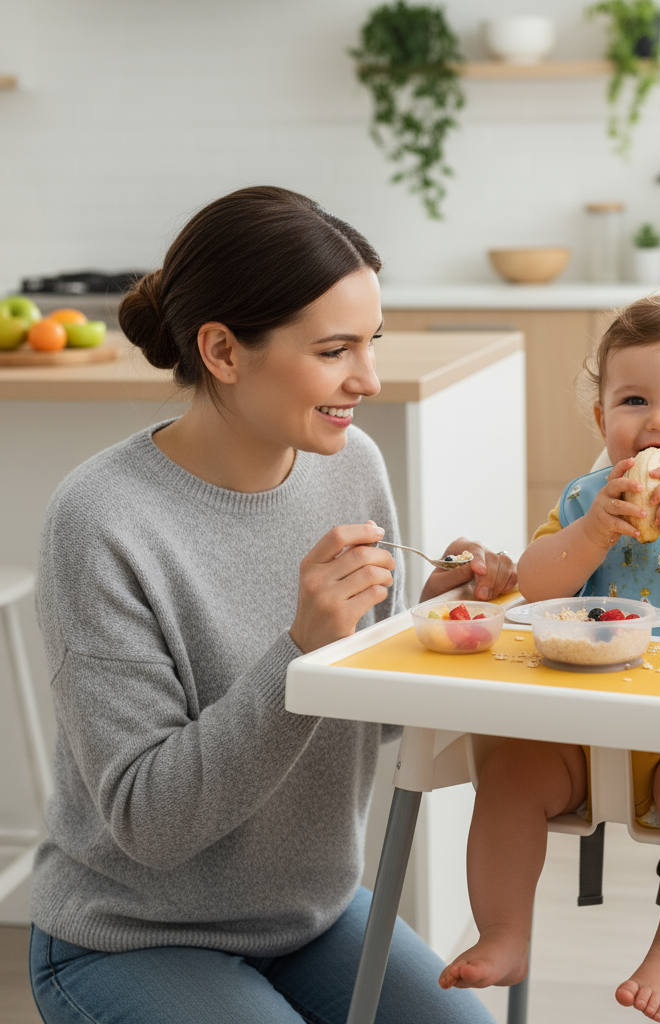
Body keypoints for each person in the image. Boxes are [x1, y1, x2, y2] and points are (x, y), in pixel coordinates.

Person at [28, 185, 514, 1024]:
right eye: (335, 351)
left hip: (310, 916)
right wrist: (301, 649)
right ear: (221, 350)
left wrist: (424, 627)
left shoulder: (351, 462)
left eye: (373, 343)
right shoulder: (100, 521)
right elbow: (150, 820)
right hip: (136, 933)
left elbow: (372, 720)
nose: (367, 378)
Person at [439, 293, 660, 1023]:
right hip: (580, 721)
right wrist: (593, 536)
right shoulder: (585, 501)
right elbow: (535, 585)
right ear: (604, 421)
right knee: (507, 772)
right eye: (634, 399)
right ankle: (506, 931)